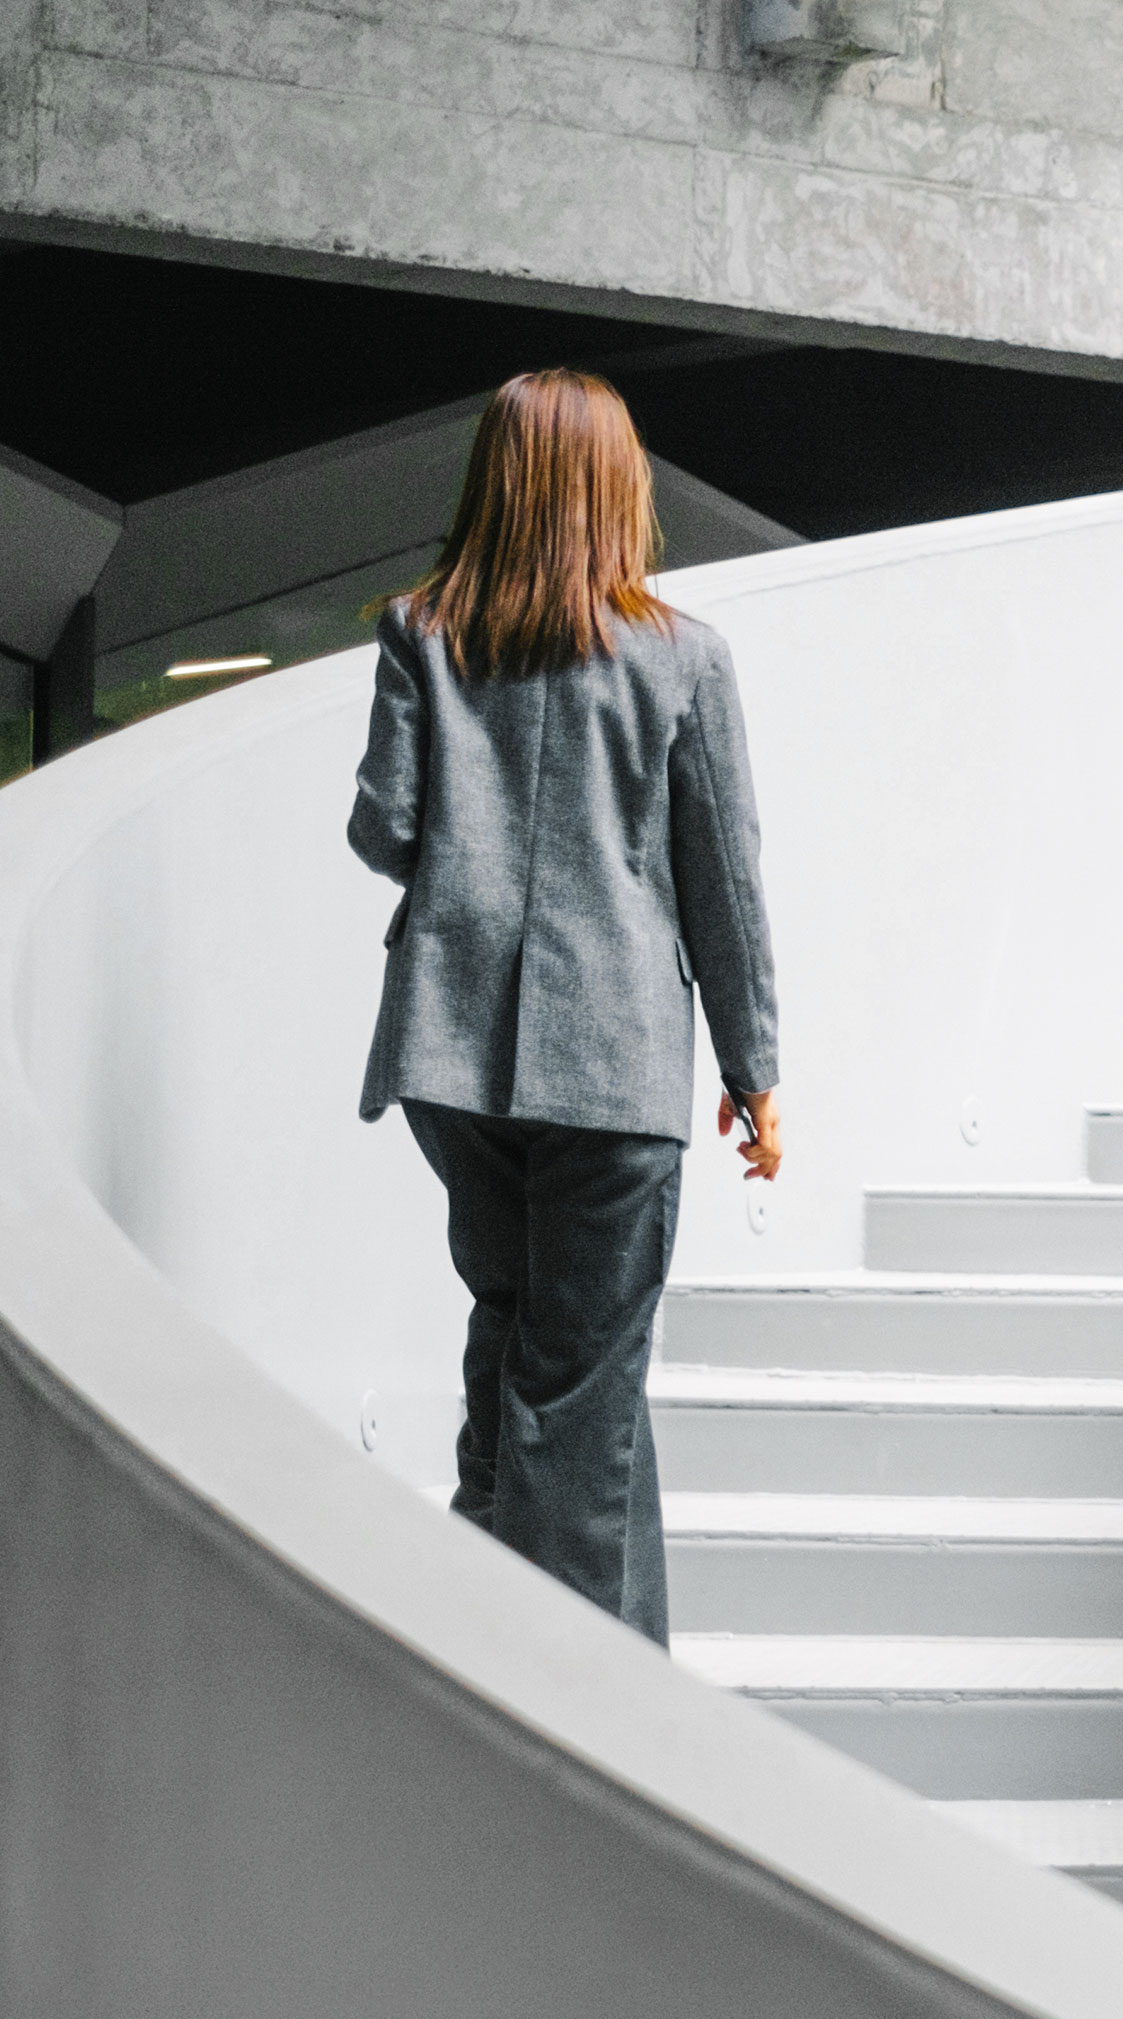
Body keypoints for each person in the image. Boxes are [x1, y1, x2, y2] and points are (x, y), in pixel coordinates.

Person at [347, 367, 782, 1647]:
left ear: (494, 482)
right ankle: (575, 1701)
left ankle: (488, 1650)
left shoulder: (421, 632)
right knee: (576, 1387)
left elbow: (387, 828)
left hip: (454, 1057)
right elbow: (726, 889)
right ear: (616, 488)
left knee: (526, 1350)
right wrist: (755, 1069)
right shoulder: (684, 658)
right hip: (613, 1066)